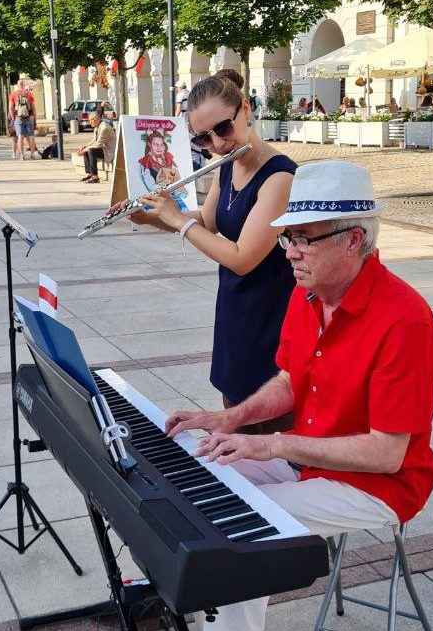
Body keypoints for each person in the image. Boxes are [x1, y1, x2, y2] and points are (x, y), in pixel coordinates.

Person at [152, 161, 433, 631]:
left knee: (245, 529)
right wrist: (230, 419)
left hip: (376, 485)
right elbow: (288, 381)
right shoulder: (309, 296)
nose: (289, 252)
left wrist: (275, 444)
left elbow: (388, 454)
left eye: (303, 238)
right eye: (288, 237)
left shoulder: (404, 318)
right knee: (193, 459)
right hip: (313, 459)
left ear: (354, 239)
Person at [111, 72, 298, 433]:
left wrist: (178, 221)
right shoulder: (230, 166)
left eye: (223, 129)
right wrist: (149, 217)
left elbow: (243, 258)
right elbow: (208, 221)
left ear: (246, 110)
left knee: (262, 431)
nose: (217, 144)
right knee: (233, 421)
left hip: (270, 319)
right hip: (235, 312)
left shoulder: (280, 177)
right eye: (203, 138)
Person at [137, 129, 188, 210]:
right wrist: (171, 189)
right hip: (156, 202)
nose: (159, 147)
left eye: (161, 144)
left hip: (174, 201)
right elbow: (151, 186)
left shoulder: (168, 160)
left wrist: (181, 189)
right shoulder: (145, 163)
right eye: (155, 144)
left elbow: (179, 184)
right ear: (149, 144)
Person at [76, 112, 115, 183]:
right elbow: (93, 141)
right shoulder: (97, 127)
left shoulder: (104, 128)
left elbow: (98, 144)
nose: (90, 122)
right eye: (89, 120)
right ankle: (89, 173)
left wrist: (85, 149)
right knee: (88, 149)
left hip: (109, 152)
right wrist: (84, 147)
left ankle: (95, 176)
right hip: (103, 149)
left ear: (97, 119)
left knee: (91, 150)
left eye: (91, 120)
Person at [8, 79, 37, 160]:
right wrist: (35, 120)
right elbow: (34, 109)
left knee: (20, 136)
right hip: (29, 117)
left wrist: (13, 118)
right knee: (31, 136)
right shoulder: (30, 94)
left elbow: (10, 108)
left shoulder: (13, 94)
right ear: (24, 85)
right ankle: (32, 155)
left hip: (18, 117)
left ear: (17, 86)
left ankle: (22, 155)